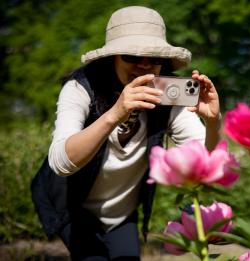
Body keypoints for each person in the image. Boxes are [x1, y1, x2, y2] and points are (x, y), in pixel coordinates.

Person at [34, 6, 221, 260]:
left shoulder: (169, 96)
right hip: (73, 207)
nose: (144, 66)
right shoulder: (80, 89)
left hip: (122, 214)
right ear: (113, 57)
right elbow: (61, 162)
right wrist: (115, 113)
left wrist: (212, 122)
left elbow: (205, 161)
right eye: (132, 56)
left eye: (154, 58)